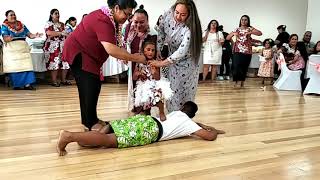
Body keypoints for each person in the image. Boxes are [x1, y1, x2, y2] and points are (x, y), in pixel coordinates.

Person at [62, 0, 146, 131]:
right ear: (117, 8)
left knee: (94, 85)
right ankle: (89, 123)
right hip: (80, 53)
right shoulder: (103, 20)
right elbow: (111, 49)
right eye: (127, 14)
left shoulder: (111, 20)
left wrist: (125, 54)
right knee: (89, 85)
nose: (128, 18)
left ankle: (91, 119)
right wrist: (135, 58)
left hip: (89, 56)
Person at [56, 101, 225, 156]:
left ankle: (87, 138)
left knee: (111, 128)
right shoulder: (190, 124)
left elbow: (194, 123)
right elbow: (208, 137)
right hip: (151, 131)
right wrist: (214, 131)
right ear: (192, 116)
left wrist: (201, 125)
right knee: (109, 142)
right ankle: (69, 136)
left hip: (145, 120)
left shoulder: (175, 114)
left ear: (181, 109)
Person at [149, 0, 203, 112]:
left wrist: (160, 64)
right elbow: (161, 31)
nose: (178, 17)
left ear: (189, 15)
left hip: (188, 65)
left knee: (185, 93)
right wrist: (158, 49)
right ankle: (172, 116)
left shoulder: (190, 29)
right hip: (172, 61)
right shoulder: (167, 15)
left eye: (183, 15)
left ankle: (184, 120)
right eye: (177, 12)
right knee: (172, 91)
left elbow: (182, 52)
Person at [133, 35, 173, 121]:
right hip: (143, 84)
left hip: (154, 83)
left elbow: (158, 78)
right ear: (143, 50)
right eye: (148, 50)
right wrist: (140, 73)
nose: (150, 52)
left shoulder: (156, 62)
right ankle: (146, 112)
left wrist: (154, 72)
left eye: (153, 50)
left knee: (158, 93)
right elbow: (134, 76)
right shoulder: (139, 62)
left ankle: (161, 111)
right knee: (144, 96)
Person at [1, 10, 42, 90]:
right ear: (6, 17)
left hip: (23, 48)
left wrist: (35, 35)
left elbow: (29, 34)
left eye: (14, 15)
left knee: (27, 65)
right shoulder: (4, 26)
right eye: (11, 15)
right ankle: (17, 85)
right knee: (15, 67)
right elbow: (5, 38)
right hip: (12, 49)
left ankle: (27, 84)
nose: (13, 16)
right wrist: (9, 38)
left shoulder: (21, 25)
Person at [124, 5, 151, 112]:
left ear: (147, 21)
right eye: (136, 22)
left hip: (145, 64)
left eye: (142, 22)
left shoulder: (151, 34)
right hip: (132, 62)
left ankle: (145, 107)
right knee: (134, 84)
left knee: (144, 85)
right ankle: (136, 105)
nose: (138, 25)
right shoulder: (128, 29)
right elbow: (124, 43)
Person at [226, 15, 262, 88]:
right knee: (236, 66)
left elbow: (260, 33)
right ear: (240, 21)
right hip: (237, 50)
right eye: (242, 19)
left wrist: (250, 32)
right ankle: (236, 82)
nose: (244, 21)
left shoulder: (250, 28)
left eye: (245, 20)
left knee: (244, 67)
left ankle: (242, 81)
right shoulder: (236, 29)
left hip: (247, 51)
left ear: (248, 21)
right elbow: (227, 38)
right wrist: (233, 34)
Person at [44, 9, 71, 87]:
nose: (57, 15)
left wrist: (66, 34)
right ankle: (54, 81)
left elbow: (68, 33)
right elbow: (49, 33)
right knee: (54, 63)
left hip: (63, 45)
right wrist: (61, 33)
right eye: (56, 13)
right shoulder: (48, 24)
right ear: (51, 15)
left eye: (58, 13)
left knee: (65, 63)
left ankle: (63, 80)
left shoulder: (62, 24)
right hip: (52, 46)